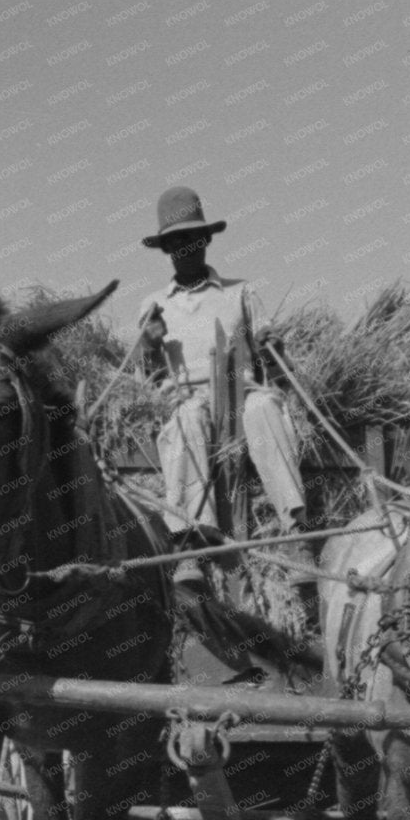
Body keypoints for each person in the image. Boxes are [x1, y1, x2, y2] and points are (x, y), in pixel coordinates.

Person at [136, 187, 319, 619]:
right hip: (184, 397)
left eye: (192, 239)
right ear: (165, 249)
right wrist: (148, 345)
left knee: (265, 409)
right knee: (187, 418)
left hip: (241, 391)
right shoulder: (153, 305)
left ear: (206, 240)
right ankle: (188, 546)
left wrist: (274, 346)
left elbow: (271, 359)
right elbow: (146, 384)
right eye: (175, 242)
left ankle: (296, 535)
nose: (185, 249)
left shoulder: (241, 293)